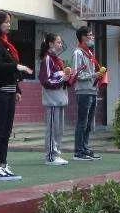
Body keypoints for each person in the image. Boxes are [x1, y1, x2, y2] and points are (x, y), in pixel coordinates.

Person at [0, 9, 31, 181]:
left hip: (9, 93)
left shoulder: (6, 44)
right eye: (6, 22)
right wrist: (17, 67)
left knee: (6, 131)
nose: (9, 25)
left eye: (10, 22)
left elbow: (10, 70)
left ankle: (3, 163)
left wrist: (17, 89)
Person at [70, 24, 103, 162]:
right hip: (83, 91)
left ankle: (84, 147)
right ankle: (78, 151)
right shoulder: (78, 53)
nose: (92, 37)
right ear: (83, 37)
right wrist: (95, 75)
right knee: (82, 122)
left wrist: (97, 75)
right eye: (90, 35)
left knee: (88, 123)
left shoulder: (88, 52)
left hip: (92, 90)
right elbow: (76, 74)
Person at [38, 32, 69, 165]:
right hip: (52, 101)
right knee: (52, 129)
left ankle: (56, 154)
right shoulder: (47, 59)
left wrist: (68, 78)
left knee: (59, 130)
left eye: (61, 42)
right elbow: (45, 81)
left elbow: (61, 79)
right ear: (51, 44)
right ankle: (50, 156)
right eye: (58, 42)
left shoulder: (59, 60)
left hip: (60, 99)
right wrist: (63, 79)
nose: (60, 45)